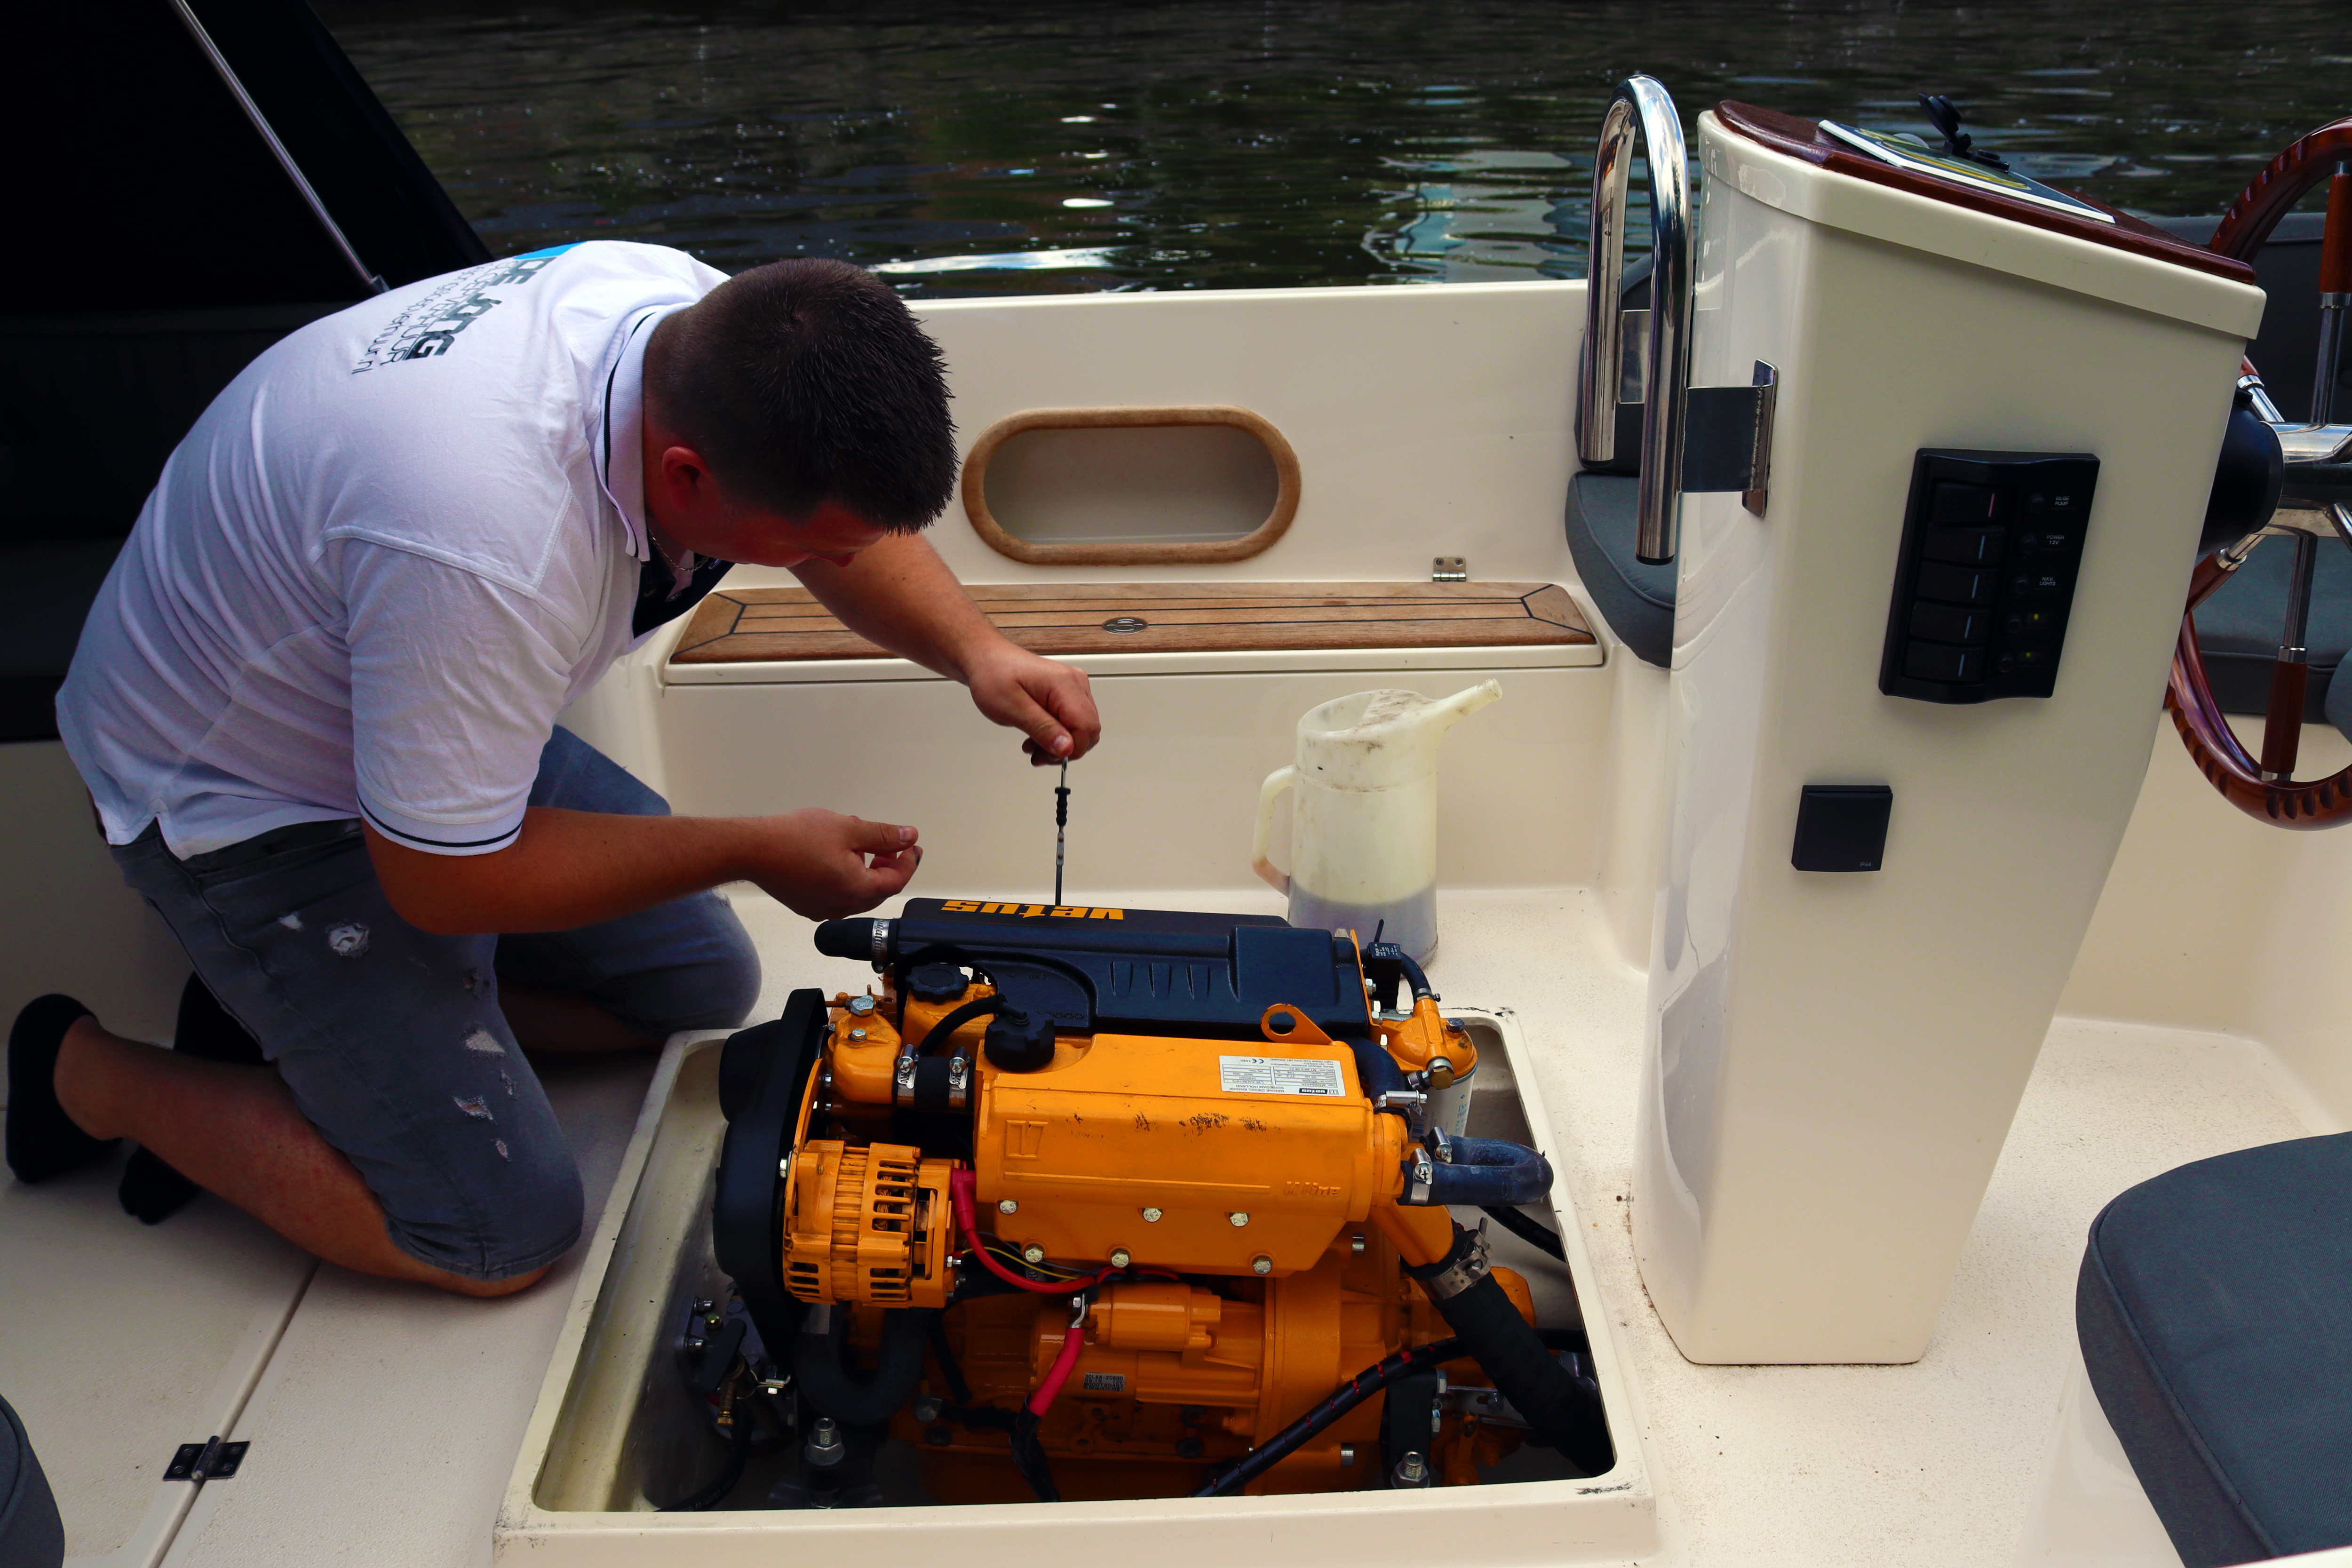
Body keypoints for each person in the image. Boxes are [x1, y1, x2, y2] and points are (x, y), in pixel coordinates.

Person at [2, 244, 1098, 1297]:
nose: (844, 567)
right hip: (241, 799)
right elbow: (442, 883)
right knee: (494, 1236)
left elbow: (839, 521)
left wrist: (979, 651)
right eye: (818, 548)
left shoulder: (702, 325)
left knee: (698, 991)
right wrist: (756, 846)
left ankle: (297, 1027)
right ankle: (83, 1070)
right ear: (685, 473)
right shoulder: (484, 542)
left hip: (418, 710)